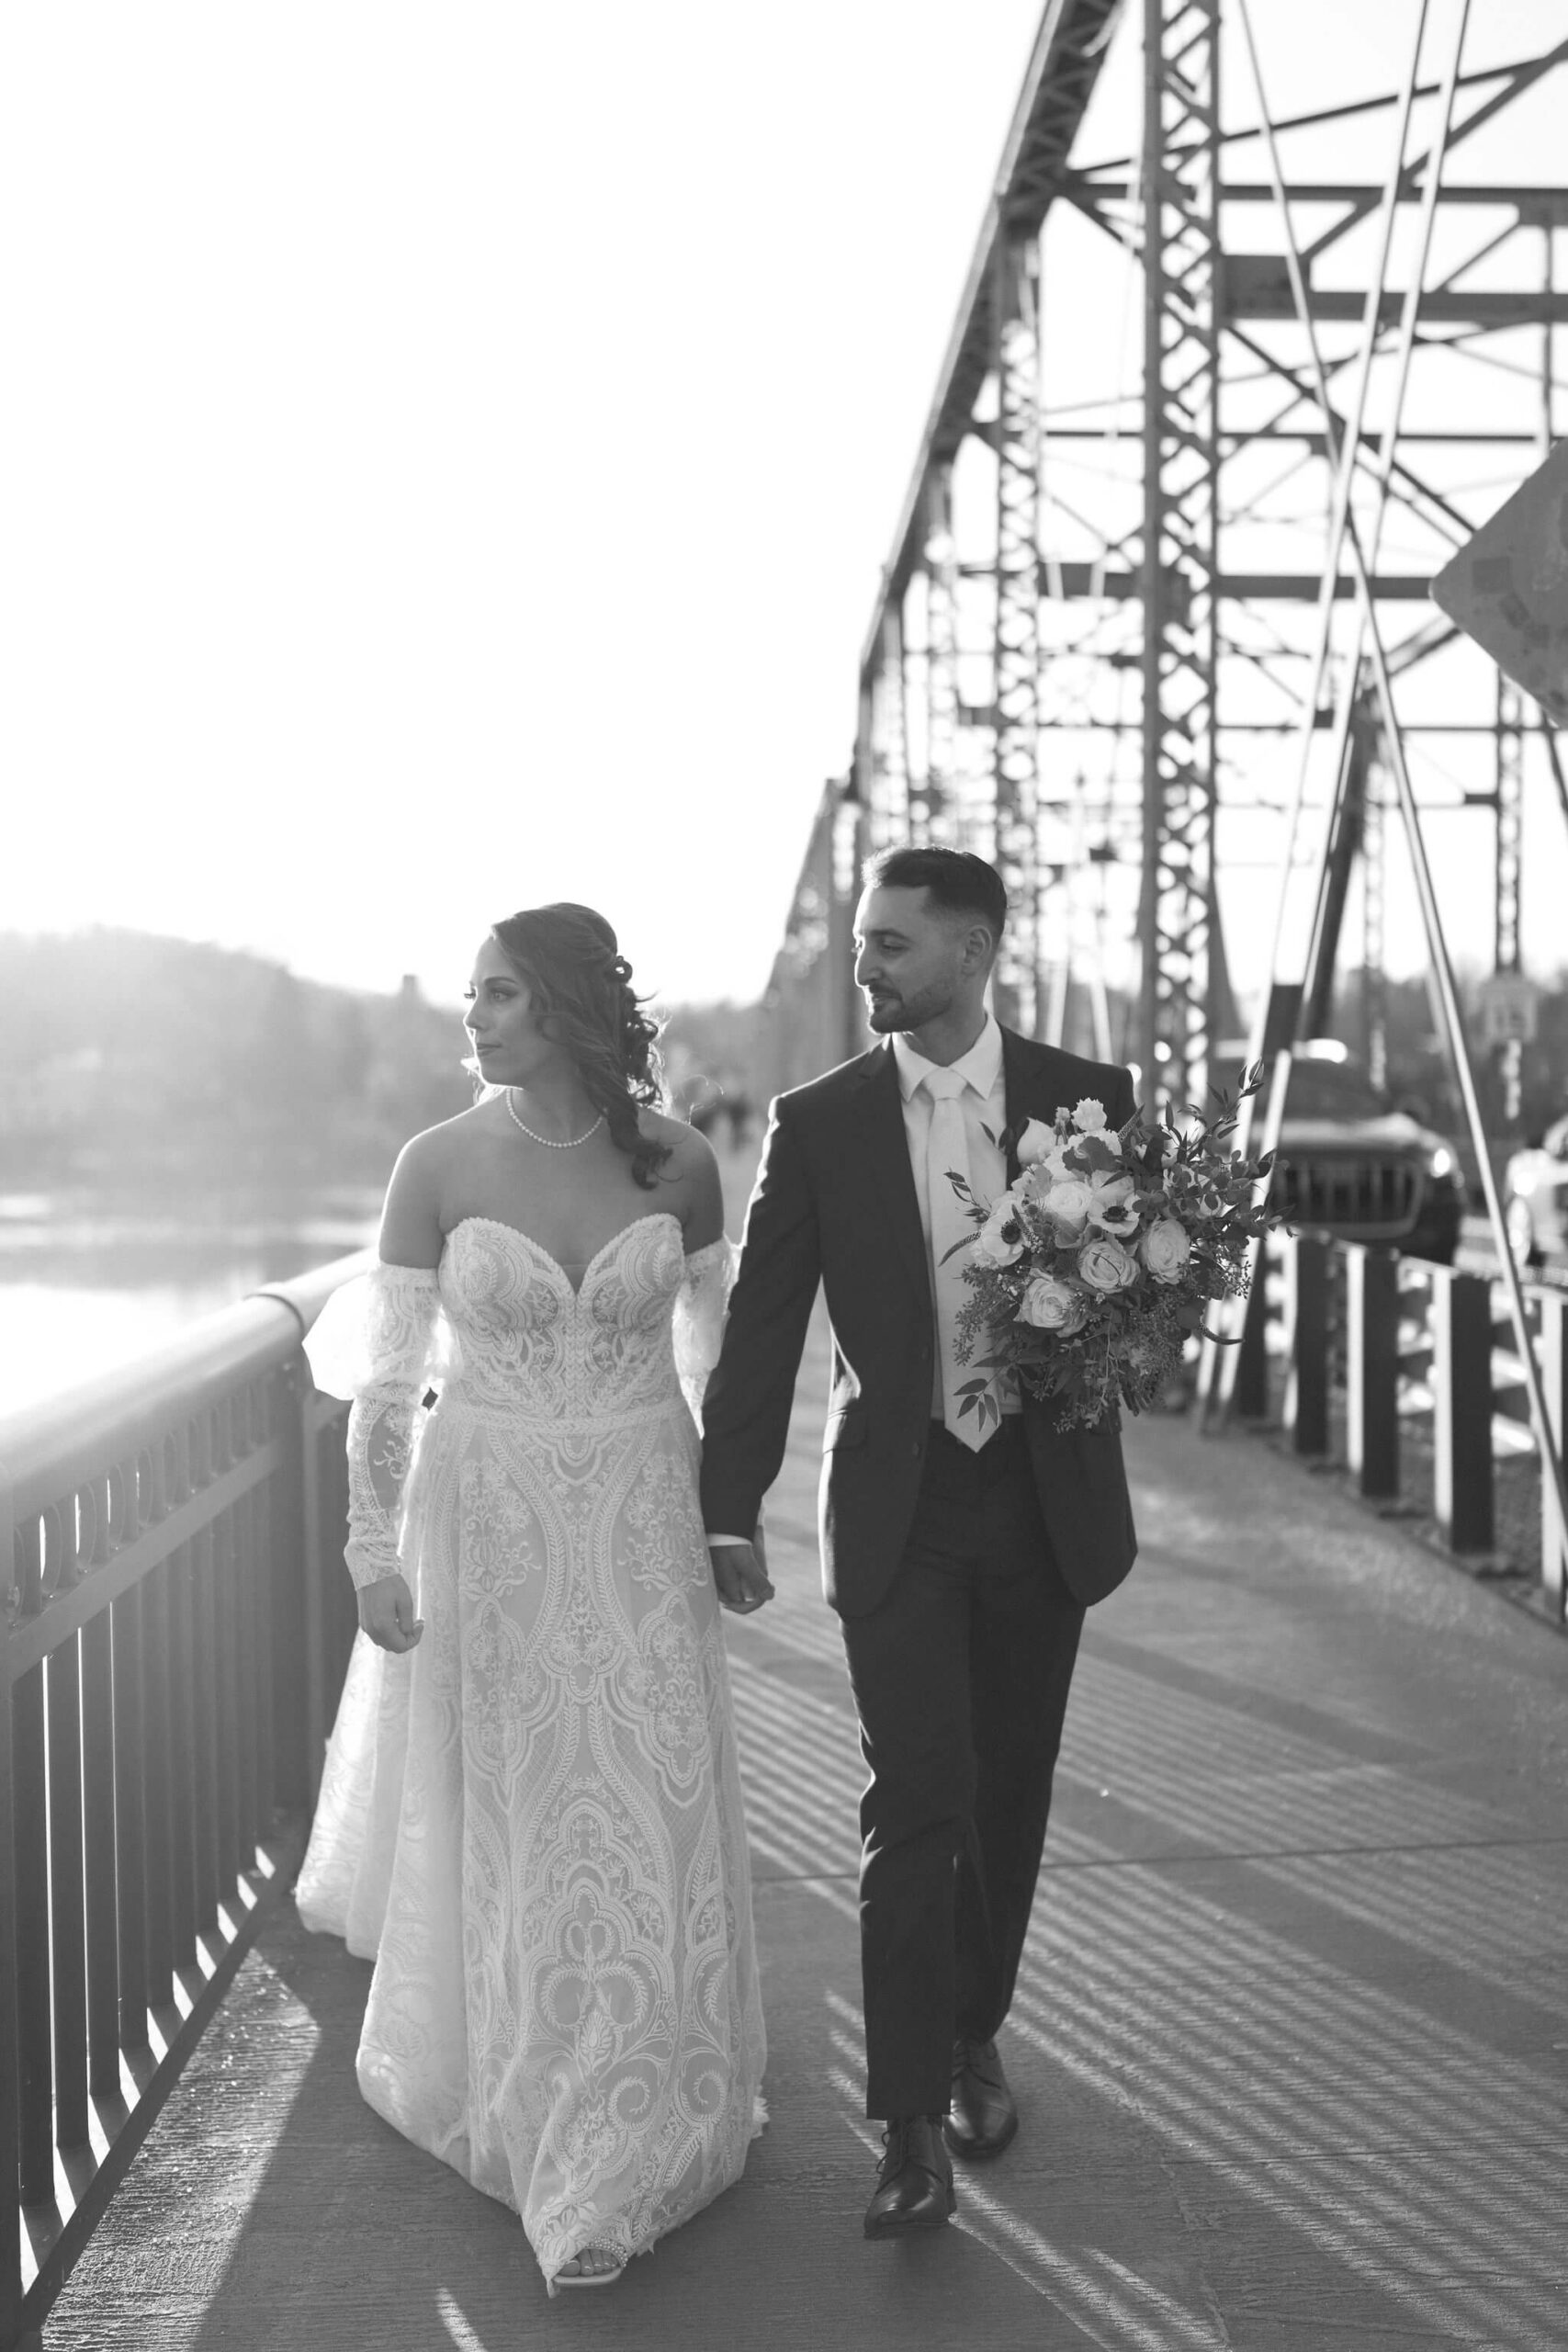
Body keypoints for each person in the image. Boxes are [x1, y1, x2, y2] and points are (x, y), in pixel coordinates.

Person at [296, 902, 771, 2293]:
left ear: (565, 1006)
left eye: (499, 993)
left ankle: (651, 2105)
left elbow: (716, 1372)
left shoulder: (680, 1164)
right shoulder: (434, 1164)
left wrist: (728, 1523)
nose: (476, 1016)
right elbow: (386, 1388)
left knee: (650, 1799)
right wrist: (371, 1553)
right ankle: (543, 2119)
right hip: (489, 1521)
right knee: (516, 1812)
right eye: (472, 993)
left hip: (638, 1517)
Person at [699, 845, 1137, 2240]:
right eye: (866, 942)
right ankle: (903, 2126)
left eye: (893, 945)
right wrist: (730, 1504)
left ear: (973, 950)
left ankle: (971, 2037)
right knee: (915, 1799)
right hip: (898, 1503)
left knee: (1008, 1792)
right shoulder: (817, 1121)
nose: (867, 966)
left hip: (1041, 1498)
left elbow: (1139, 1291)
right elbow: (765, 1327)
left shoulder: (1090, 1100)